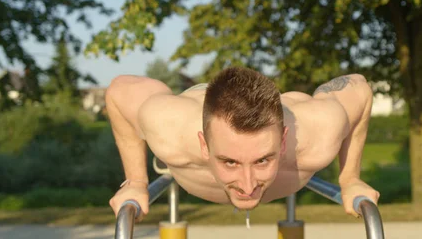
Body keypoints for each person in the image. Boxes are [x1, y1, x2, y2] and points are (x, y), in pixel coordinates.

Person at [107, 66, 380, 222]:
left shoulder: (317, 134)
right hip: (195, 106)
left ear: (284, 142)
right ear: (204, 146)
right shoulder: (169, 128)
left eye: (263, 160)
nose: (248, 186)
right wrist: (136, 181)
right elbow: (120, 89)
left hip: (286, 109)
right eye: (230, 162)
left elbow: (359, 88)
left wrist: (350, 178)